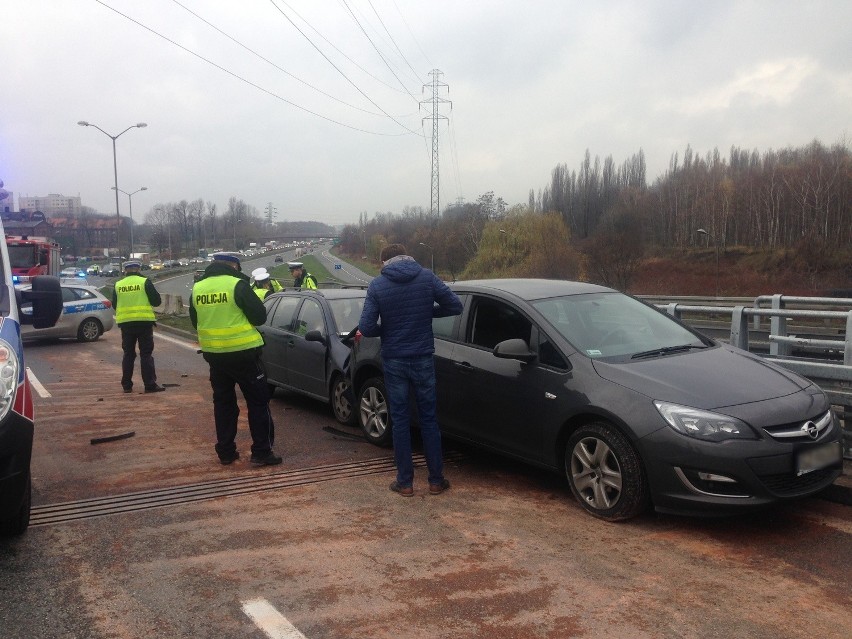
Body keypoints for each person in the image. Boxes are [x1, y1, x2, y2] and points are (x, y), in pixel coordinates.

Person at [358, 243, 462, 497]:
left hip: (394, 360)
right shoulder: (426, 277)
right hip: (423, 357)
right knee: (428, 419)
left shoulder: (377, 285)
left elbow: (367, 327)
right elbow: (455, 306)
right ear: (406, 255)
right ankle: (436, 480)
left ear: (385, 261)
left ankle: (405, 483)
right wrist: (427, 313)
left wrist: (389, 327)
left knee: (401, 420)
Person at [190, 252, 281, 467]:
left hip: (215, 356)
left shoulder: (198, 288)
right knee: (258, 402)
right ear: (234, 265)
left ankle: (226, 452)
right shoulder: (237, 285)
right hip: (244, 354)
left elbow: (196, 322)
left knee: (223, 404)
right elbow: (259, 316)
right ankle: (261, 452)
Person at [112, 260, 165, 393]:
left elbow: (115, 304)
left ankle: (126, 385)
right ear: (138, 268)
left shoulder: (118, 285)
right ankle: (149, 384)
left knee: (128, 354)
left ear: (125, 270)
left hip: (126, 324)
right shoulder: (144, 282)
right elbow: (156, 301)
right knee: (146, 354)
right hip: (144, 323)